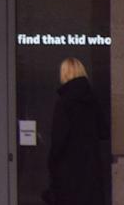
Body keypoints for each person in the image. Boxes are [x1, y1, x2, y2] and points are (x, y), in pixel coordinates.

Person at [45, 57, 109, 205]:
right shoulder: (92, 100)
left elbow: (59, 140)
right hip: (91, 171)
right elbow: (104, 132)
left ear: (64, 74)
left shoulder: (64, 103)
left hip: (69, 173)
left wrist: (52, 164)